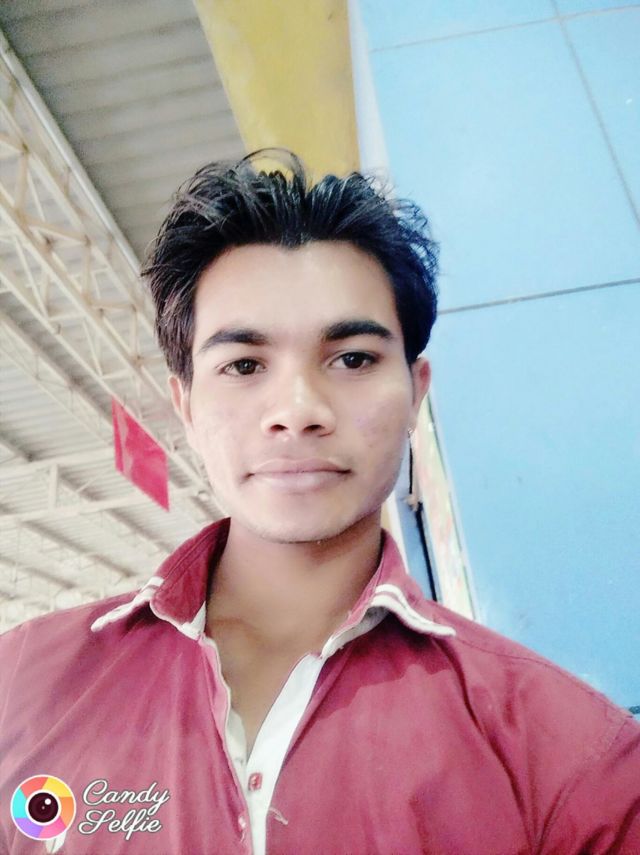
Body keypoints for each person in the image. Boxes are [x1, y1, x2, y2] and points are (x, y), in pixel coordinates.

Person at [1, 151, 638, 855]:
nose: (298, 410)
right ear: (185, 406)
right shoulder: (23, 686)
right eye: (244, 365)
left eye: (353, 358)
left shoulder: (572, 760)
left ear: (416, 390)